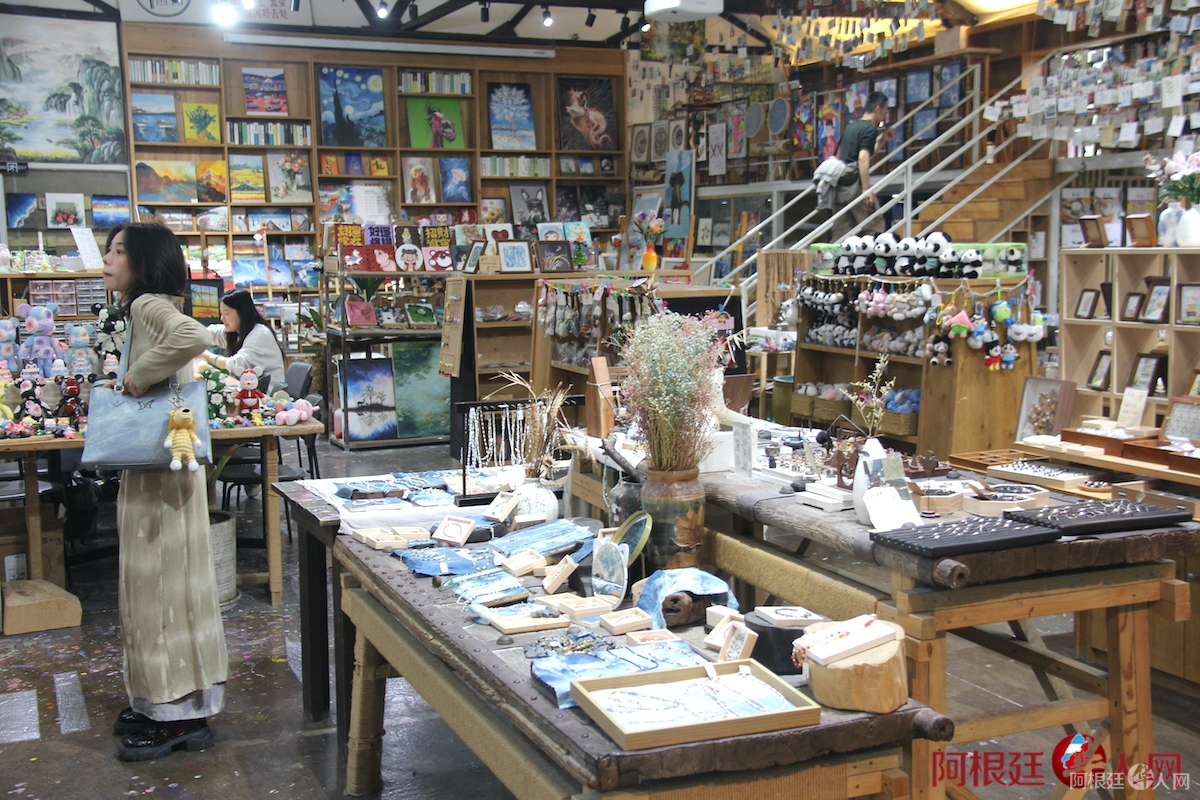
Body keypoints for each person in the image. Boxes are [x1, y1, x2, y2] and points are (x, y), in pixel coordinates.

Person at [100, 222, 228, 761]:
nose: (107, 259)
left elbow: (194, 337)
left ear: (144, 261)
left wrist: (138, 376)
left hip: (163, 468)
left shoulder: (147, 303)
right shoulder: (143, 306)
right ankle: (158, 701)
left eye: (118, 251)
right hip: (161, 460)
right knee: (156, 582)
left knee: (163, 585)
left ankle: (180, 715)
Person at [829, 91, 894, 243]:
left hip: (840, 183)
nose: (884, 116)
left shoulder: (851, 126)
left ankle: (833, 257)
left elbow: (861, 153)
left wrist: (881, 141)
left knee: (843, 231)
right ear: (877, 109)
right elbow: (863, 158)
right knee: (875, 225)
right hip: (854, 185)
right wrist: (866, 189)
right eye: (885, 111)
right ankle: (873, 256)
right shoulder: (870, 128)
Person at [199, 288, 285, 392]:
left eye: (226, 314)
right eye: (221, 314)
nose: (222, 318)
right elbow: (212, 332)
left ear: (241, 313)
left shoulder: (259, 334)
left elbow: (236, 365)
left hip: (267, 397)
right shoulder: (238, 331)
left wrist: (206, 355)